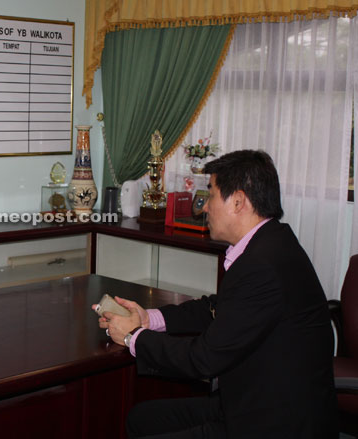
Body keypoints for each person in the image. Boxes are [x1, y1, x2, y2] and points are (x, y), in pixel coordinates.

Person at [95, 150, 337, 438]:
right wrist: (149, 318)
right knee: (142, 418)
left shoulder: (263, 265)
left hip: (273, 423)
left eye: (210, 195)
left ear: (238, 202)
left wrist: (132, 336)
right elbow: (216, 308)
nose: (204, 208)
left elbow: (204, 358)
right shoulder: (271, 244)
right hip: (250, 403)